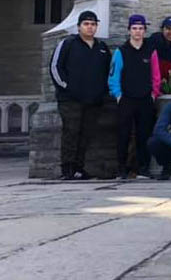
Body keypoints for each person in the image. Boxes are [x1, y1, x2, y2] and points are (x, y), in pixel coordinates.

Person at [49, 10, 112, 180]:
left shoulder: (102, 48)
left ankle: (79, 168)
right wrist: (67, 87)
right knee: (71, 133)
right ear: (79, 27)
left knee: (86, 135)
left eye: (93, 24)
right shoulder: (68, 44)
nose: (90, 27)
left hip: (93, 101)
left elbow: (108, 72)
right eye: (86, 24)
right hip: (71, 100)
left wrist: (102, 92)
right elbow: (55, 67)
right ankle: (67, 169)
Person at [108, 14, 162, 179]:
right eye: (134, 28)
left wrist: (154, 93)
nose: (137, 32)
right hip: (126, 99)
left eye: (140, 28)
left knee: (144, 134)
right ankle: (122, 169)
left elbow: (156, 75)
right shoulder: (121, 52)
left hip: (145, 99)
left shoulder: (150, 51)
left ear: (144, 30)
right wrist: (118, 95)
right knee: (123, 135)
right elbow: (113, 75)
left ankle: (142, 169)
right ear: (129, 30)